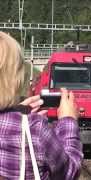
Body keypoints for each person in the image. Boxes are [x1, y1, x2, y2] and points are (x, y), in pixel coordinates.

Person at [0, 31, 83, 179]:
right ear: (14, 79)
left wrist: (15, 113)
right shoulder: (35, 128)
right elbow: (70, 171)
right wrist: (68, 121)